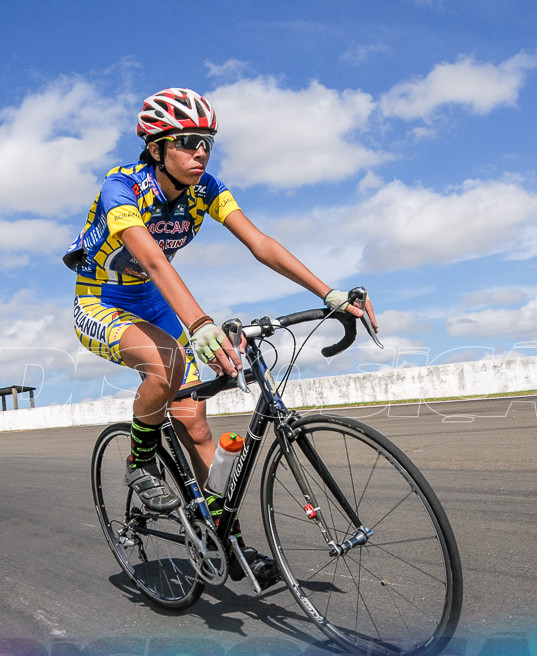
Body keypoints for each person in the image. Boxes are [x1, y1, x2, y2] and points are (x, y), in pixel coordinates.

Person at [64, 87, 378, 587]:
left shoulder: (206, 187)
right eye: (187, 142)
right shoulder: (120, 187)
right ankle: (140, 461)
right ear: (155, 148)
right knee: (165, 362)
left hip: (156, 303)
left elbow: (259, 243)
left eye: (206, 141)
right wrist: (200, 323)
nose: (200, 152)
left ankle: (224, 538)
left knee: (195, 422)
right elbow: (151, 258)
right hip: (102, 301)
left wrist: (330, 291)